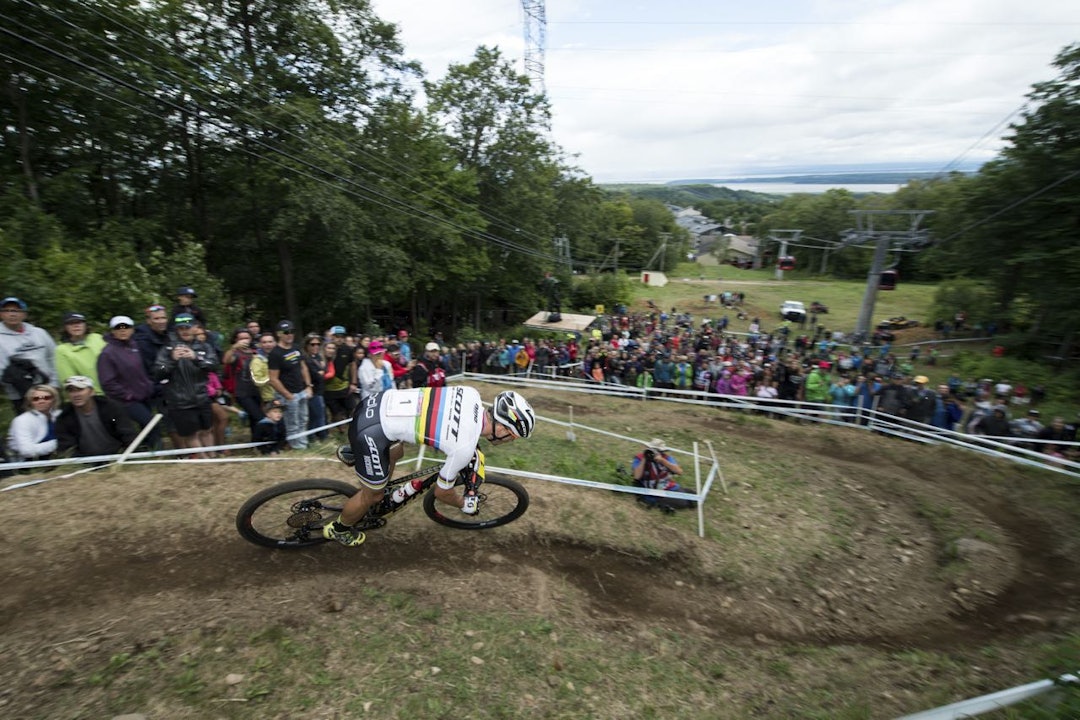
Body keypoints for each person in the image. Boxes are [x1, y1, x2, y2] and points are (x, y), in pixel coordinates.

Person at [323, 388, 536, 547]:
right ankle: (338, 529)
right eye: (513, 436)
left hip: (375, 402)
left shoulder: (471, 393)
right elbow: (442, 493)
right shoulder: (463, 447)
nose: (510, 441)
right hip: (370, 432)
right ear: (502, 428)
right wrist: (463, 503)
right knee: (373, 496)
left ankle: (360, 455)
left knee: (397, 451)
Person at [152, 313, 219, 456]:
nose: (184, 331)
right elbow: (158, 372)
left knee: (207, 430)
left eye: (187, 327)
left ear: (195, 327)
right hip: (180, 401)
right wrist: (172, 360)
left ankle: (213, 458)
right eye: (181, 328)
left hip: (202, 397)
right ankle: (204, 462)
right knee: (191, 434)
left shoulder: (204, 346)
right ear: (176, 330)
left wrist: (196, 358)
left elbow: (214, 365)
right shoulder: (167, 349)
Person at [97, 315, 157, 445]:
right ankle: (155, 453)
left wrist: (149, 386)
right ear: (112, 331)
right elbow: (107, 383)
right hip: (126, 401)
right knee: (151, 424)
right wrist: (128, 395)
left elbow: (144, 369)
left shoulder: (135, 346)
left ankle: (149, 451)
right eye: (118, 328)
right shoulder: (107, 353)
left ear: (132, 329)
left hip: (144, 396)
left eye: (126, 327)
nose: (123, 330)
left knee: (148, 429)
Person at [55, 375, 140, 457]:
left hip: (118, 457)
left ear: (92, 392)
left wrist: (128, 455)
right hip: (85, 462)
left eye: (80, 389)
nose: (76, 394)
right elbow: (67, 447)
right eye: (71, 391)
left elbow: (127, 433)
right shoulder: (64, 417)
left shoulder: (111, 408)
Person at [0, 296, 58, 414]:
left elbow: (53, 358)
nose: (12, 314)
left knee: (56, 421)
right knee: (29, 423)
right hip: (21, 395)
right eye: (7, 310)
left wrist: (54, 384)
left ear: (24, 314)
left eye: (16, 310)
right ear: (1, 314)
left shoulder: (39, 333)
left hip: (48, 388)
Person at [268, 320, 312, 450]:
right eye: (286, 332)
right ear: (279, 334)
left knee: (304, 419)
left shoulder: (296, 348)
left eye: (292, 331)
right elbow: (273, 379)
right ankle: (297, 448)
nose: (289, 335)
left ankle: (303, 444)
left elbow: (303, 368)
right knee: (292, 422)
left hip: (301, 390)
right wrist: (287, 395)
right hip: (288, 394)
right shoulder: (275, 353)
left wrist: (309, 386)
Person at [630, 438, 693, 511]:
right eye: (651, 450)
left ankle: (676, 497)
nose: (653, 453)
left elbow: (679, 472)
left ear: (662, 452)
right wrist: (644, 459)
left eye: (656, 451)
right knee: (682, 503)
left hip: (666, 487)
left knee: (692, 495)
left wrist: (662, 461)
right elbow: (637, 476)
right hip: (649, 489)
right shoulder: (640, 458)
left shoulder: (666, 458)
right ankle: (660, 503)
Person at [6, 384, 60, 463]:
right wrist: (58, 443)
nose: (41, 401)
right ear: (30, 402)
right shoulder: (22, 420)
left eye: (46, 398)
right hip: (29, 463)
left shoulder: (60, 415)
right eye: (36, 399)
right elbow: (27, 451)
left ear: (54, 399)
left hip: (59, 458)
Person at [54, 311, 105, 390]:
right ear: (65, 327)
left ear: (85, 325)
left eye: (79, 322)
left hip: (114, 389)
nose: (76, 325)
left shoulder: (98, 338)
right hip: (88, 394)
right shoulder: (61, 350)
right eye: (71, 323)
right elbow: (69, 379)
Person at [301, 333, 330, 441]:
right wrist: (321, 372)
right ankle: (321, 437)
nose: (315, 346)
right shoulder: (305, 359)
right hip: (312, 391)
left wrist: (321, 371)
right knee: (318, 415)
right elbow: (317, 375)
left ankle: (314, 437)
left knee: (317, 415)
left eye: (318, 344)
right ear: (307, 345)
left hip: (320, 390)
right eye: (312, 344)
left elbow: (325, 370)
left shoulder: (318, 356)